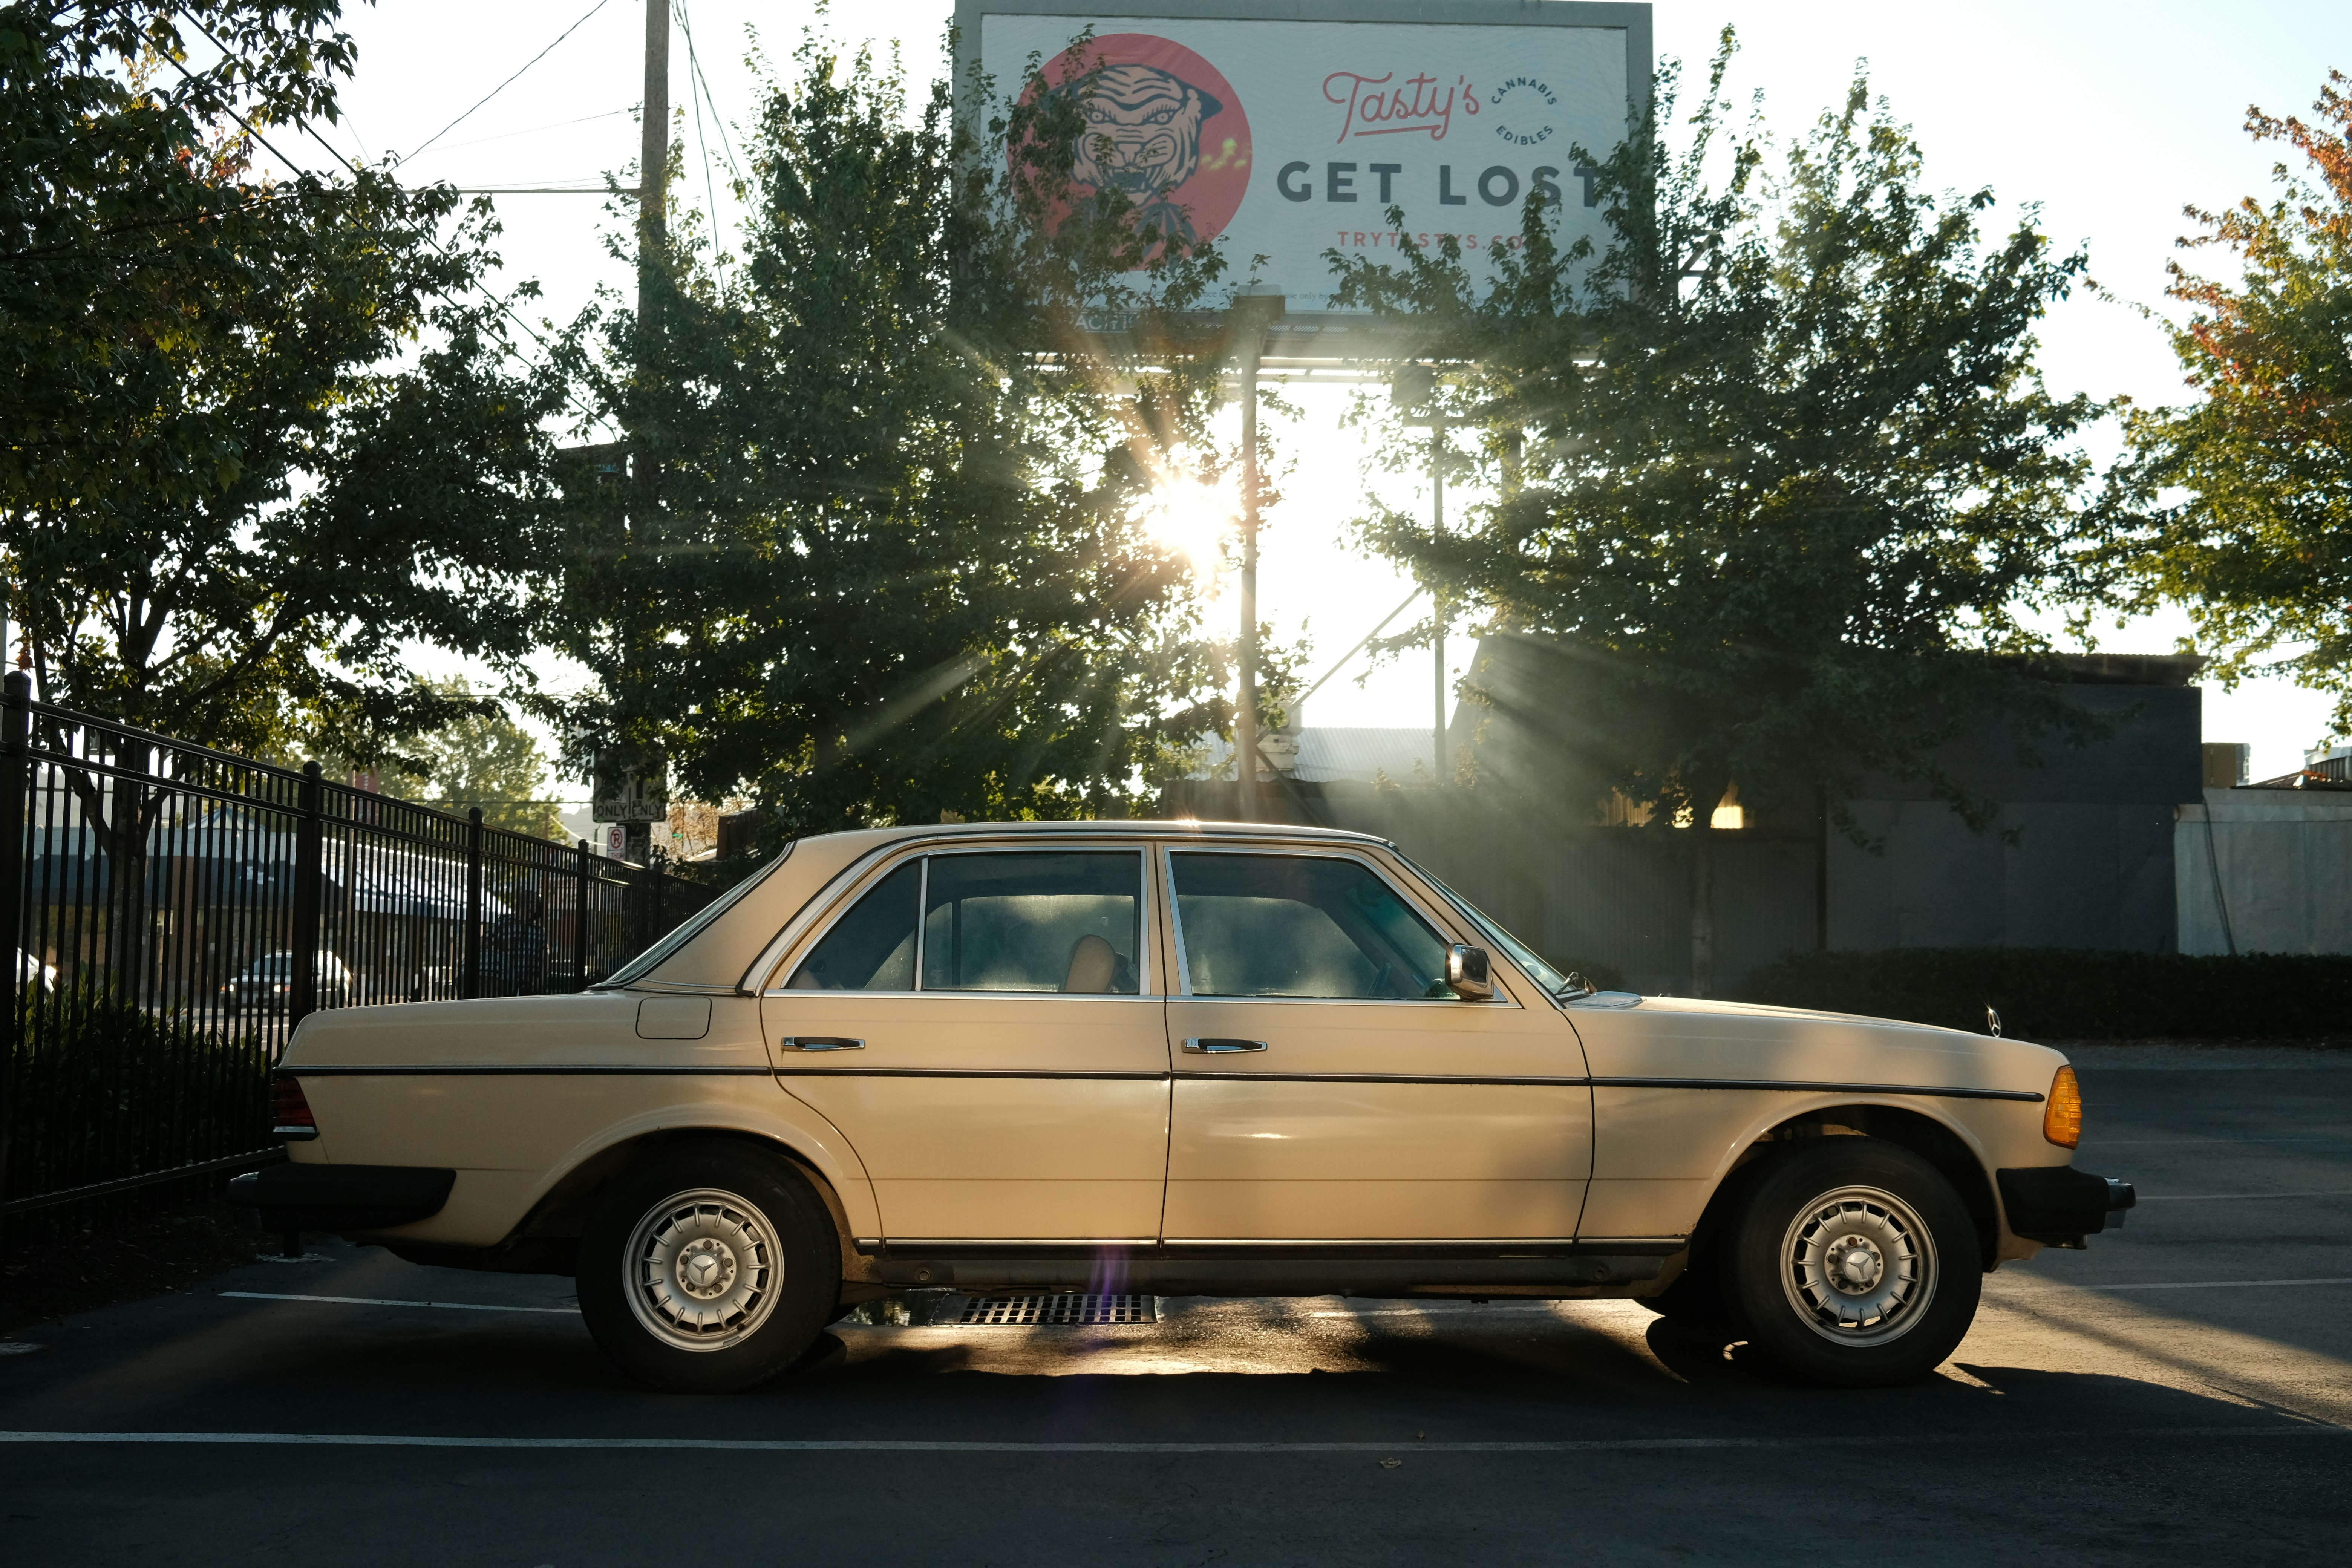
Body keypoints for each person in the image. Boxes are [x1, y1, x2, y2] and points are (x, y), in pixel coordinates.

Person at [482, 887, 550, 997]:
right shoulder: (505, 923)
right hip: (505, 982)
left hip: (527, 985)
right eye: (535, 903)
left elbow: (544, 959)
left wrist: (539, 980)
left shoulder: (538, 931)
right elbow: (484, 943)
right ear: (528, 904)